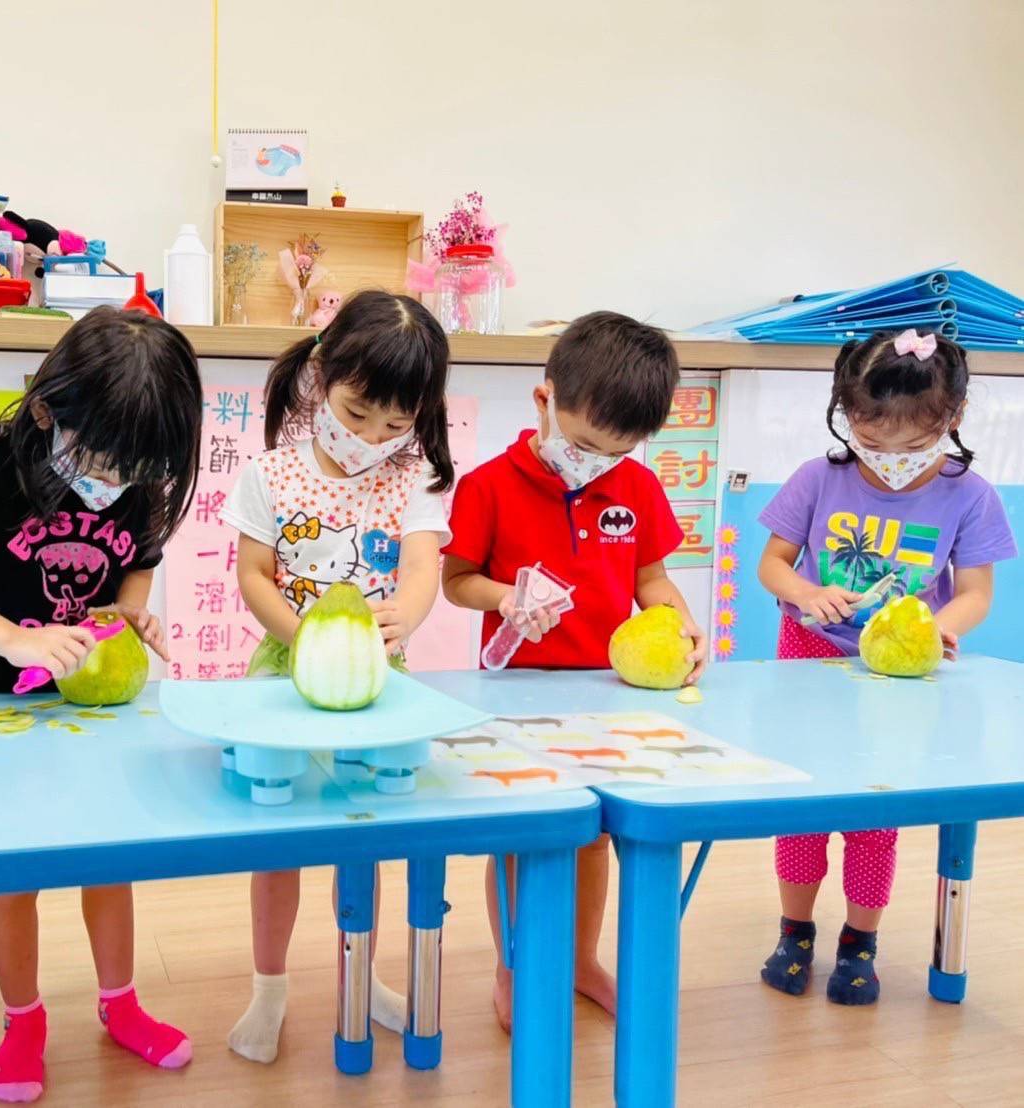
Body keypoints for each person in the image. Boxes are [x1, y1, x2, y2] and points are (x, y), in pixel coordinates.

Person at [0, 307, 201, 1101]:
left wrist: (126, 611)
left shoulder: (138, 473)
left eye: (136, 469)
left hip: (90, 706)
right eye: (100, 460)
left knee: (109, 859)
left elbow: (136, 565)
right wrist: (14, 640)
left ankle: (121, 1003)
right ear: (49, 410)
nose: (114, 483)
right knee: (14, 869)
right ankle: (23, 1020)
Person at [441, 310, 706, 1027]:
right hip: (516, 693)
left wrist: (679, 620)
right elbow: (457, 580)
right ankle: (513, 966)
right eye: (585, 443)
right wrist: (507, 596)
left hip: (610, 695)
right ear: (544, 399)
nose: (596, 462)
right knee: (525, 838)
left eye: (617, 452)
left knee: (593, 836)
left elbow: (651, 578)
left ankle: (584, 960)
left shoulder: (637, 489)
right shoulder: (489, 485)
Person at [221, 290, 453, 1063]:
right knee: (277, 841)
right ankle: (270, 987)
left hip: (375, 681)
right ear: (321, 377)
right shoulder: (272, 474)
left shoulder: (413, 478)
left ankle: (366, 970)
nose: (371, 438)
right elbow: (254, 573)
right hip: (283, 672)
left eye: (394, 425)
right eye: (356, 415)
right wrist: (307, 637)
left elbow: (422, 568)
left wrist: (406, 619)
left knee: (368, 832)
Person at [755, 328, 1015, 1005]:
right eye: (871, 443)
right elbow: (773, 564)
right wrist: (807, 593)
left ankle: (859, 942)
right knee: (804, 809)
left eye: (909, 445)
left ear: (951, 420)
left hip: (901, 682)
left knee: (875, 816)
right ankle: (795, 933)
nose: (889, 461)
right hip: (809, 663)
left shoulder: (972, 494)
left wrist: (936, 629)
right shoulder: (820, 477)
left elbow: (975, 593)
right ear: (845, 412)